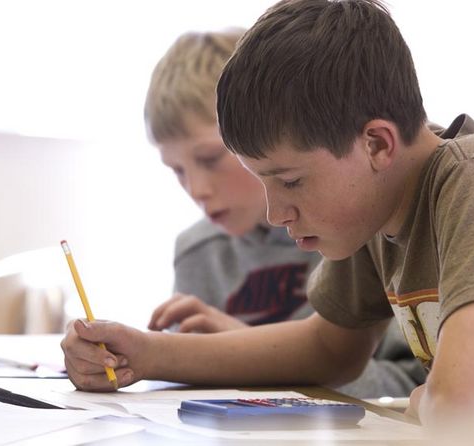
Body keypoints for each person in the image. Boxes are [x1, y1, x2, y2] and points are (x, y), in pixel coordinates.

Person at [61, 0, 474, 435]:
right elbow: (327, 350)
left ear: (377, 144)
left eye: (291, 181)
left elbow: (469, 409)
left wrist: (440, 399)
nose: (275, 212)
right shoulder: (375, 205)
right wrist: (147, 354)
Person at [143, 29, 424, 398]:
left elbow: (412, 386)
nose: (196, 189)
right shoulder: (197, 251)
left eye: (210, 159)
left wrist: (246, 353)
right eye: (176, 170)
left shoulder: (353, 227)